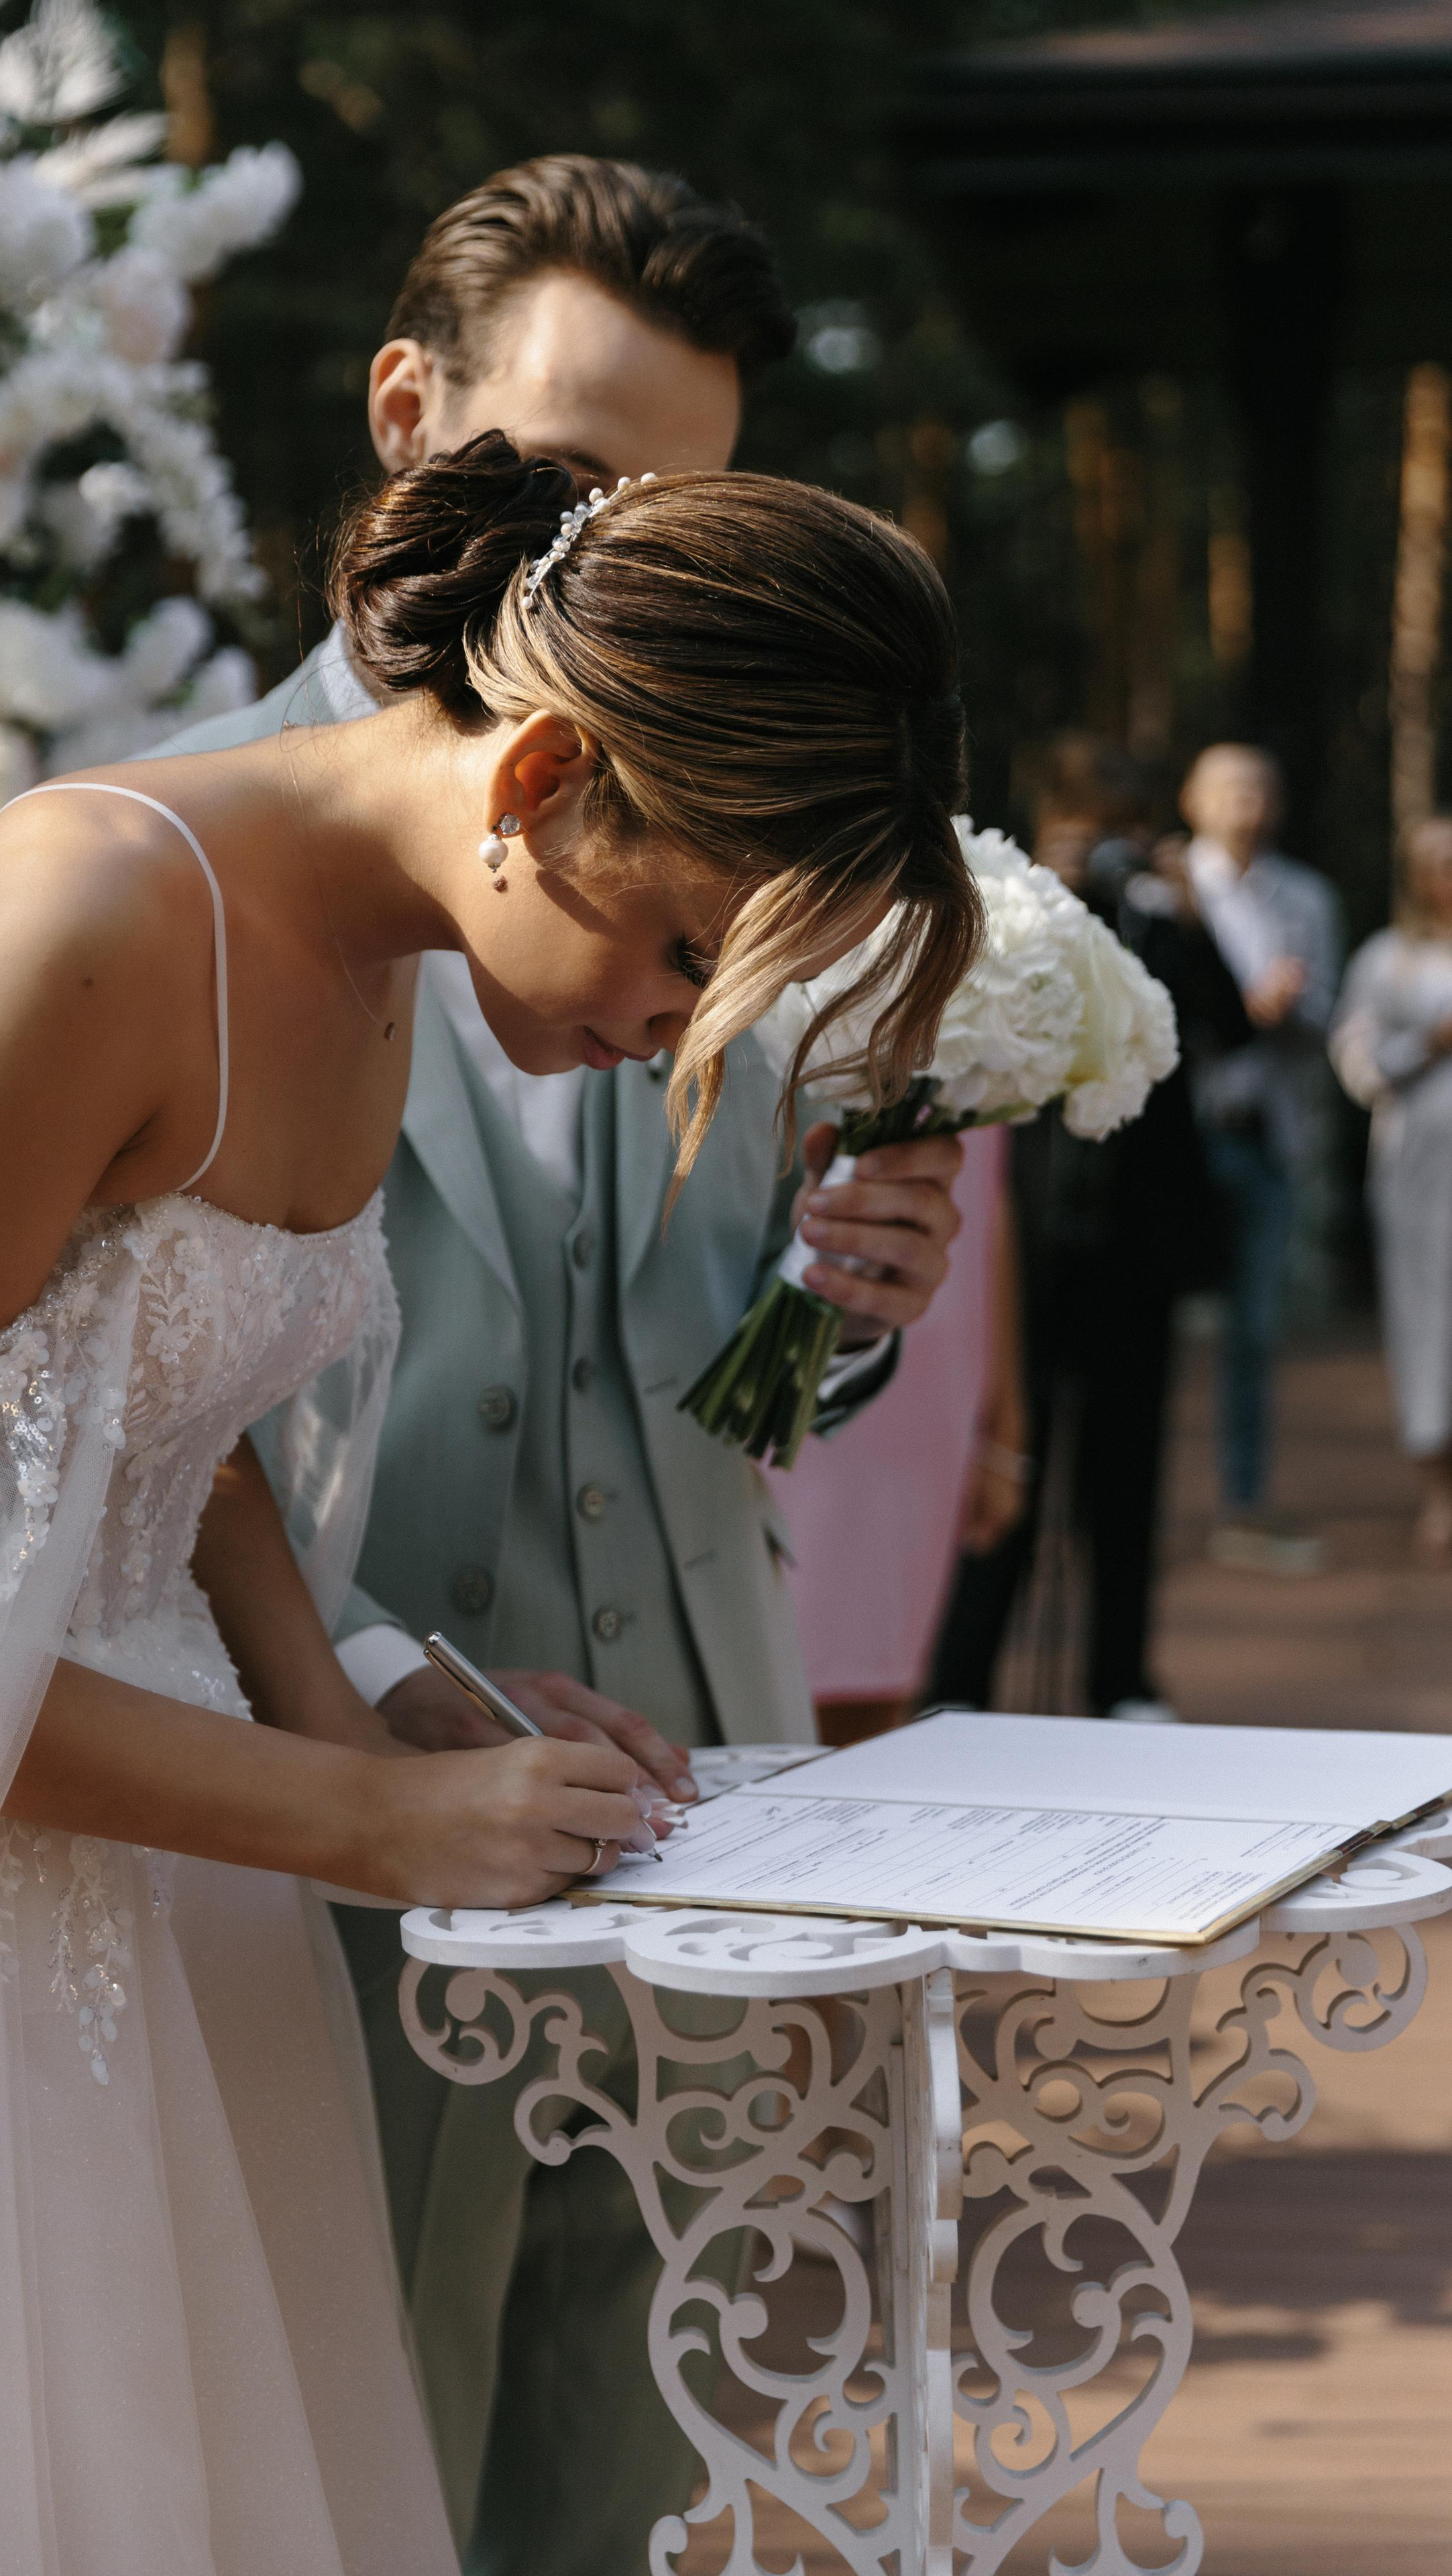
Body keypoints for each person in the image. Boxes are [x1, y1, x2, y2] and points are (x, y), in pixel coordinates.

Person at [0, 431, 980, 2568]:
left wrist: (365, 1701)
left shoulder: (382, 951)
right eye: (689, 957)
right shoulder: (81, 916)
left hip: (163, 1885)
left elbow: (147, 1398)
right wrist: (366, 1824)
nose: (681, 1035)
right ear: (544, 777)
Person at [160, 157, 968, 2571]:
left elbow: (705, 1372)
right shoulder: (191, 859)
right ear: (409, 415)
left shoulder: (726, 829)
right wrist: (372, 1681)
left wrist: (834, 1311)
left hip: (693, 1812)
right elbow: (127, 1411)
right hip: (346, 1829)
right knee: (359, 2471)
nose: (626, 557)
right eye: (582, 477)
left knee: (646, 2488)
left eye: (681, 509)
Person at [926, 751, 1237, 1720]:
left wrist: (1190, 914)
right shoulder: (1015, 920)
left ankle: (1121, 1681)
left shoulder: (1160, 925)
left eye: (1124, 830)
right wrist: (1048, 891)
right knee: (1006, 1453)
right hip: (1029, 1239)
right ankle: (961, 1683)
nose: (1108, 849)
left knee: (1126, 1471)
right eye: (1090, 828)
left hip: (1135, 1249)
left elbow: (1230, 1028)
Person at [764, 1125, 1021, 1740]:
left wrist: (1003, 1414)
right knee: (761, 1682)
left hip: (934, 1357)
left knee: (877, 1684)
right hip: (786, 1304)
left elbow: (990, 1200)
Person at [1176, 743, 1343, 1576]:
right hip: (1175, 1142)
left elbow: (1328, 1017)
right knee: (1142, 1324)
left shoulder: (1307, 897)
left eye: (1258, 787)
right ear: (1193, 799)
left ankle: (1241, 1504)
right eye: (1228, 787)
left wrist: (1287, 1007)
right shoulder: (1167, 887)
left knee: (1255, 1329)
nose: (1245, 801)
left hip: (1266, 1137)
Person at [1330, 813, 1452, 1558]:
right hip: (1420, 1174)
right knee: (1425, 1318)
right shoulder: (1386, 961)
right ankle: (1439, 1485)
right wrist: (1428, 1044)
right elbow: (1360, 1067)